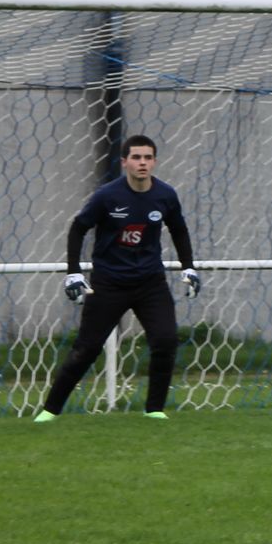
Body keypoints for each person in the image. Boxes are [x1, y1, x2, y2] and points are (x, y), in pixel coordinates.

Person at [36, 134, 202, 420]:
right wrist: (73, 273)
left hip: (150, 282)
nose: (142, 163)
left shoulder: (165, 195)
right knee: (87, 349)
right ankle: (49, 412)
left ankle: (154, 411)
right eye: (136, 157)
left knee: (165, 341)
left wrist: (189, 267)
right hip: (109, 283)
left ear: (154, 162)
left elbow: (179, 229)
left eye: (148, 157)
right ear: (124, 162)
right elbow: (78, 228)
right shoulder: (107, 196)